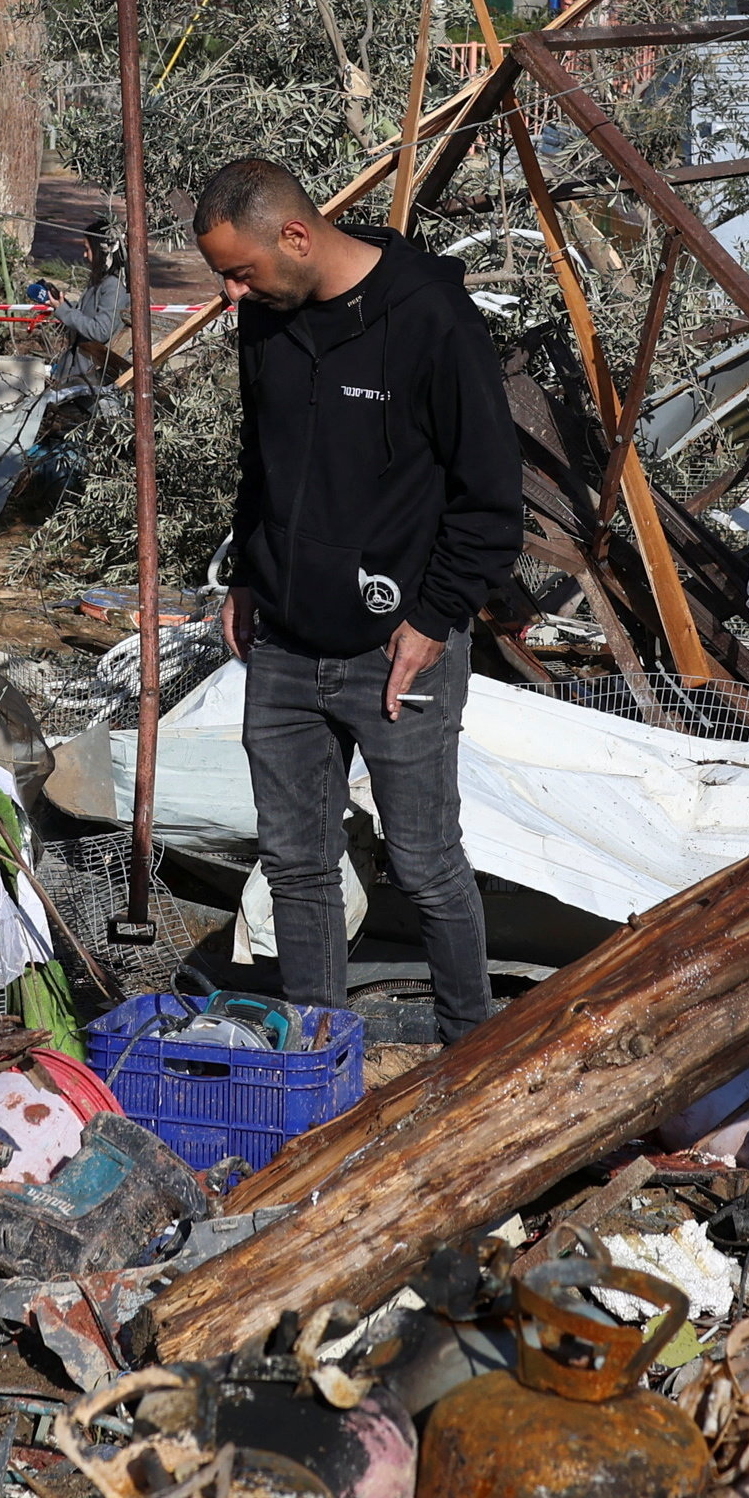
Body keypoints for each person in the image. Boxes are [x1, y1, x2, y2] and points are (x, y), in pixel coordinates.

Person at [191, 154, 523, 1032]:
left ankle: (471, 1051)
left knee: (424, 863)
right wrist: (250, 573)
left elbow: (491, 499)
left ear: (297, 237)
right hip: (285, 644)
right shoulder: (267, 320)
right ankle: (317, 1055)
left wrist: (434, 617)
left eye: (240, 272)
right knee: (297, 865)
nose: (229, 294)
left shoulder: (431, 320)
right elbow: (262, 458)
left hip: (397, 648)